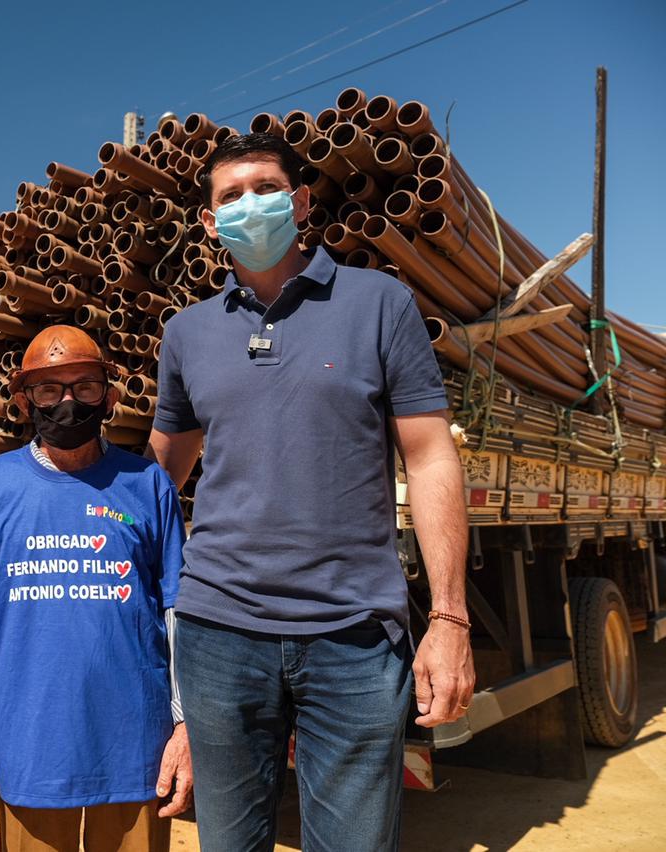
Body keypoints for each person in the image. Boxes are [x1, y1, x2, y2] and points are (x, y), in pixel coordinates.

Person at [146, 132, 474, 851]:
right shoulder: (188, 334)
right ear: (208, 223)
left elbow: (429, 459)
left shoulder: (380, 303)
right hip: (218, 634)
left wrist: (449, 618)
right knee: (230, 844)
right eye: (229, 197)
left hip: (352, 633)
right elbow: (157, 480)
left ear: (297, 201)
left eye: (264, 188)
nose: (248, 206)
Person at [0, 325, 191, 852]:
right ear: (23, 401)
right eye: (48, 389)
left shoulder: (146, 483)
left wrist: (184, 726)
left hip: (136, 743)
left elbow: (177, 612)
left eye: (84, 387)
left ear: (109, 397)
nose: (67, 401)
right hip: (32, 741)